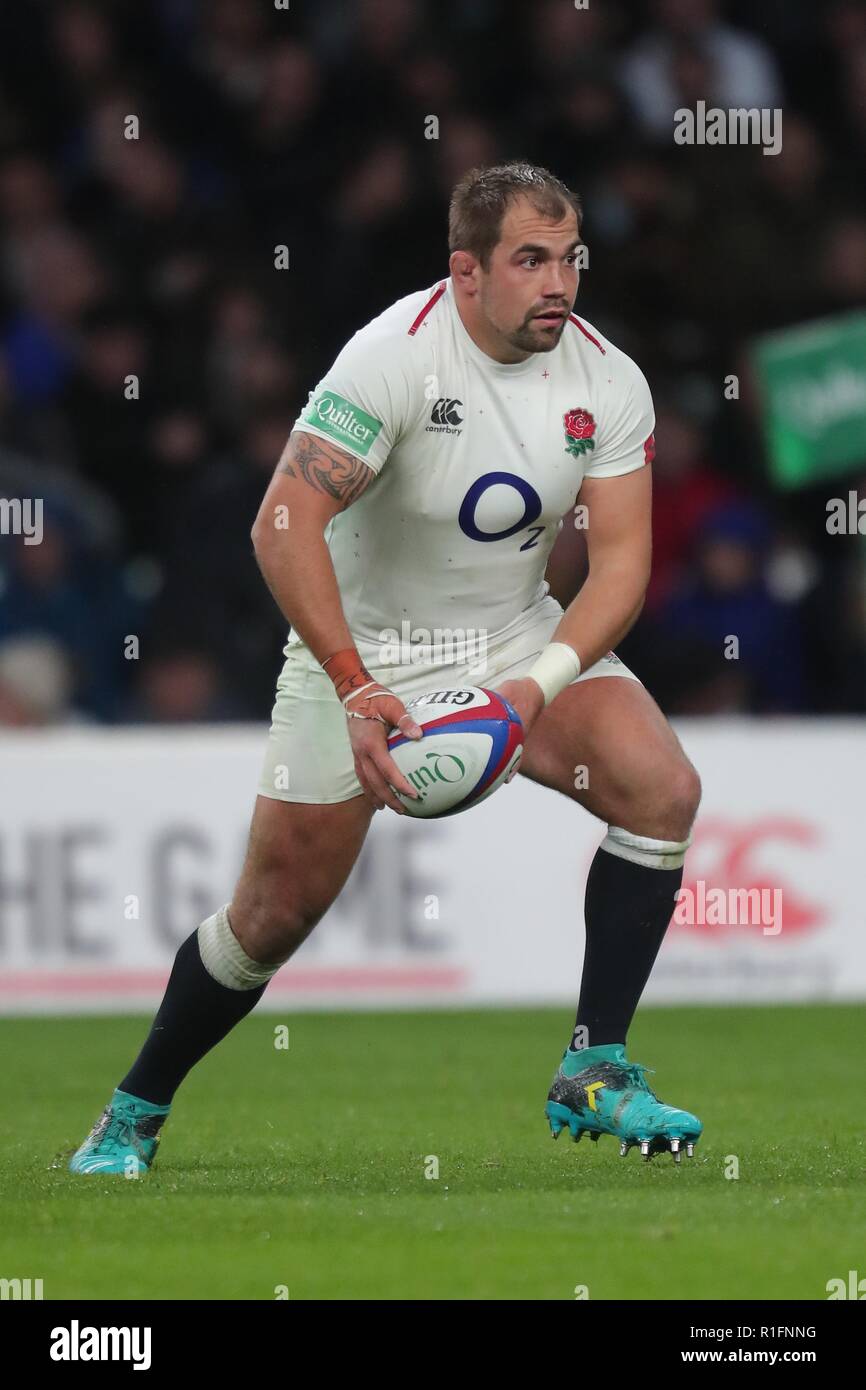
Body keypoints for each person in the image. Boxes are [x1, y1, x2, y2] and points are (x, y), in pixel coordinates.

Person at [70, 162, 702, 1174]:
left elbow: (621, 564)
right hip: (360, 655)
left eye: (568, 259)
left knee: (661, 791)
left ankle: (597, 1067)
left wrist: (532, 685)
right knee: (269, 918)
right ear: (465, 272)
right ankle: (135, 1109)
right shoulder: (390, 359)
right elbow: (281, 526)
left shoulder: (604, 378)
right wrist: (356, 683)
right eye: (528, 260)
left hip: (511, 638)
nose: (557, 284)